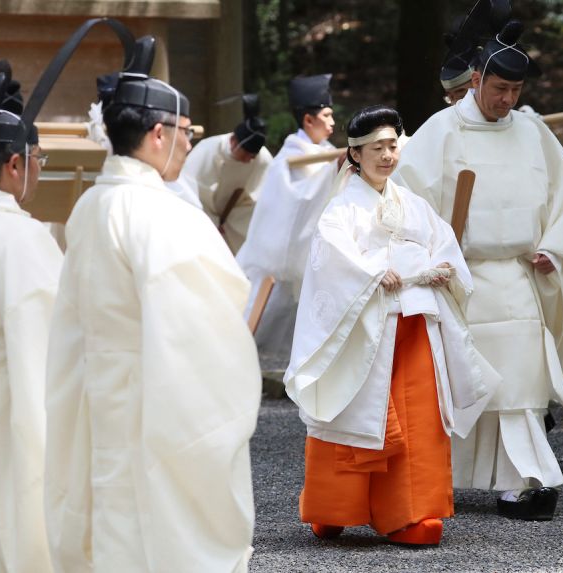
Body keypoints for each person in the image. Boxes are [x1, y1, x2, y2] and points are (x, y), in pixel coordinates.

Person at [44, 40, 262, 572]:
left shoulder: (90, 204)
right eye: (187, 134)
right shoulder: (160, 215)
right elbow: (200, 333)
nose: (189, 147)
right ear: (159, 133)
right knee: (152, 524)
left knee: (108, 514)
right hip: (151, 395)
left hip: (95, 390)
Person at [393, 20, 563, 521]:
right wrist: (432, 251)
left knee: (522, 383)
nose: (507, 99)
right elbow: (404, 198)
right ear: (477, 78)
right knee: (466, 384)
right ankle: (450, 477)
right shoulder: (439, 131)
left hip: (519, 276)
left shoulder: (532, 130)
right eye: (500, 87)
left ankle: (526, 480)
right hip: (462, 279)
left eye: (516, 90)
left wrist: (553, 245)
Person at [286, 105, 496, 546]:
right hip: (366, 327)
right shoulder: (340, 210)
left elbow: (445, 247)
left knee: (419, 418)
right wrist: (369, 273)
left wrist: (444, 269)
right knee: (356, 409)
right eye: (376, 147)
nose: (386, 155)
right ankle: (334, 506)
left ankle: (410, 511)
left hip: (415, 322)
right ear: (355, 154)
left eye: (392, 146)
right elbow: (332, 262)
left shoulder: (414, 205)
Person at [0, 64, 59, 573]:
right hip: (0, 417)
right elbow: (43, 360)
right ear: (15, 164)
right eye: (38, 160)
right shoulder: (22, 239)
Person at [236, 74, 339, 369]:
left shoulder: (321, 154)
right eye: (327, 115)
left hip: (304, 251)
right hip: (272, 257)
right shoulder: (288, 158)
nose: (332, 122)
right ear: (309, 120)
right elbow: (295, 202)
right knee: (256, 311)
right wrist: (334, 169)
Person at [176, 94, 273, 254]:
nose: (249, 160)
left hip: (237, 217)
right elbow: (188, 191)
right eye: (245, 154)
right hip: (203, 213)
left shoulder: (262, 158)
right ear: (234, 141)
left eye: (252, 156)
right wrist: (213, 223)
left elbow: (263, 197)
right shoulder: (208, 150)